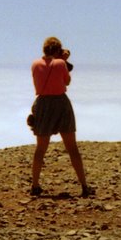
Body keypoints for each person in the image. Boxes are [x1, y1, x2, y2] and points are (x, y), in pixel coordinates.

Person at [29, 37, 93, 198]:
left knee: (40, 149)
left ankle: (35, 185)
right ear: (58, 50)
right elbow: (67, 81)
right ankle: (84, 186)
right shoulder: (61, 63)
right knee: (72, 148)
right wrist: (62, 60)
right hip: (61, 104)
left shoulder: (35, 64)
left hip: (43, 104)